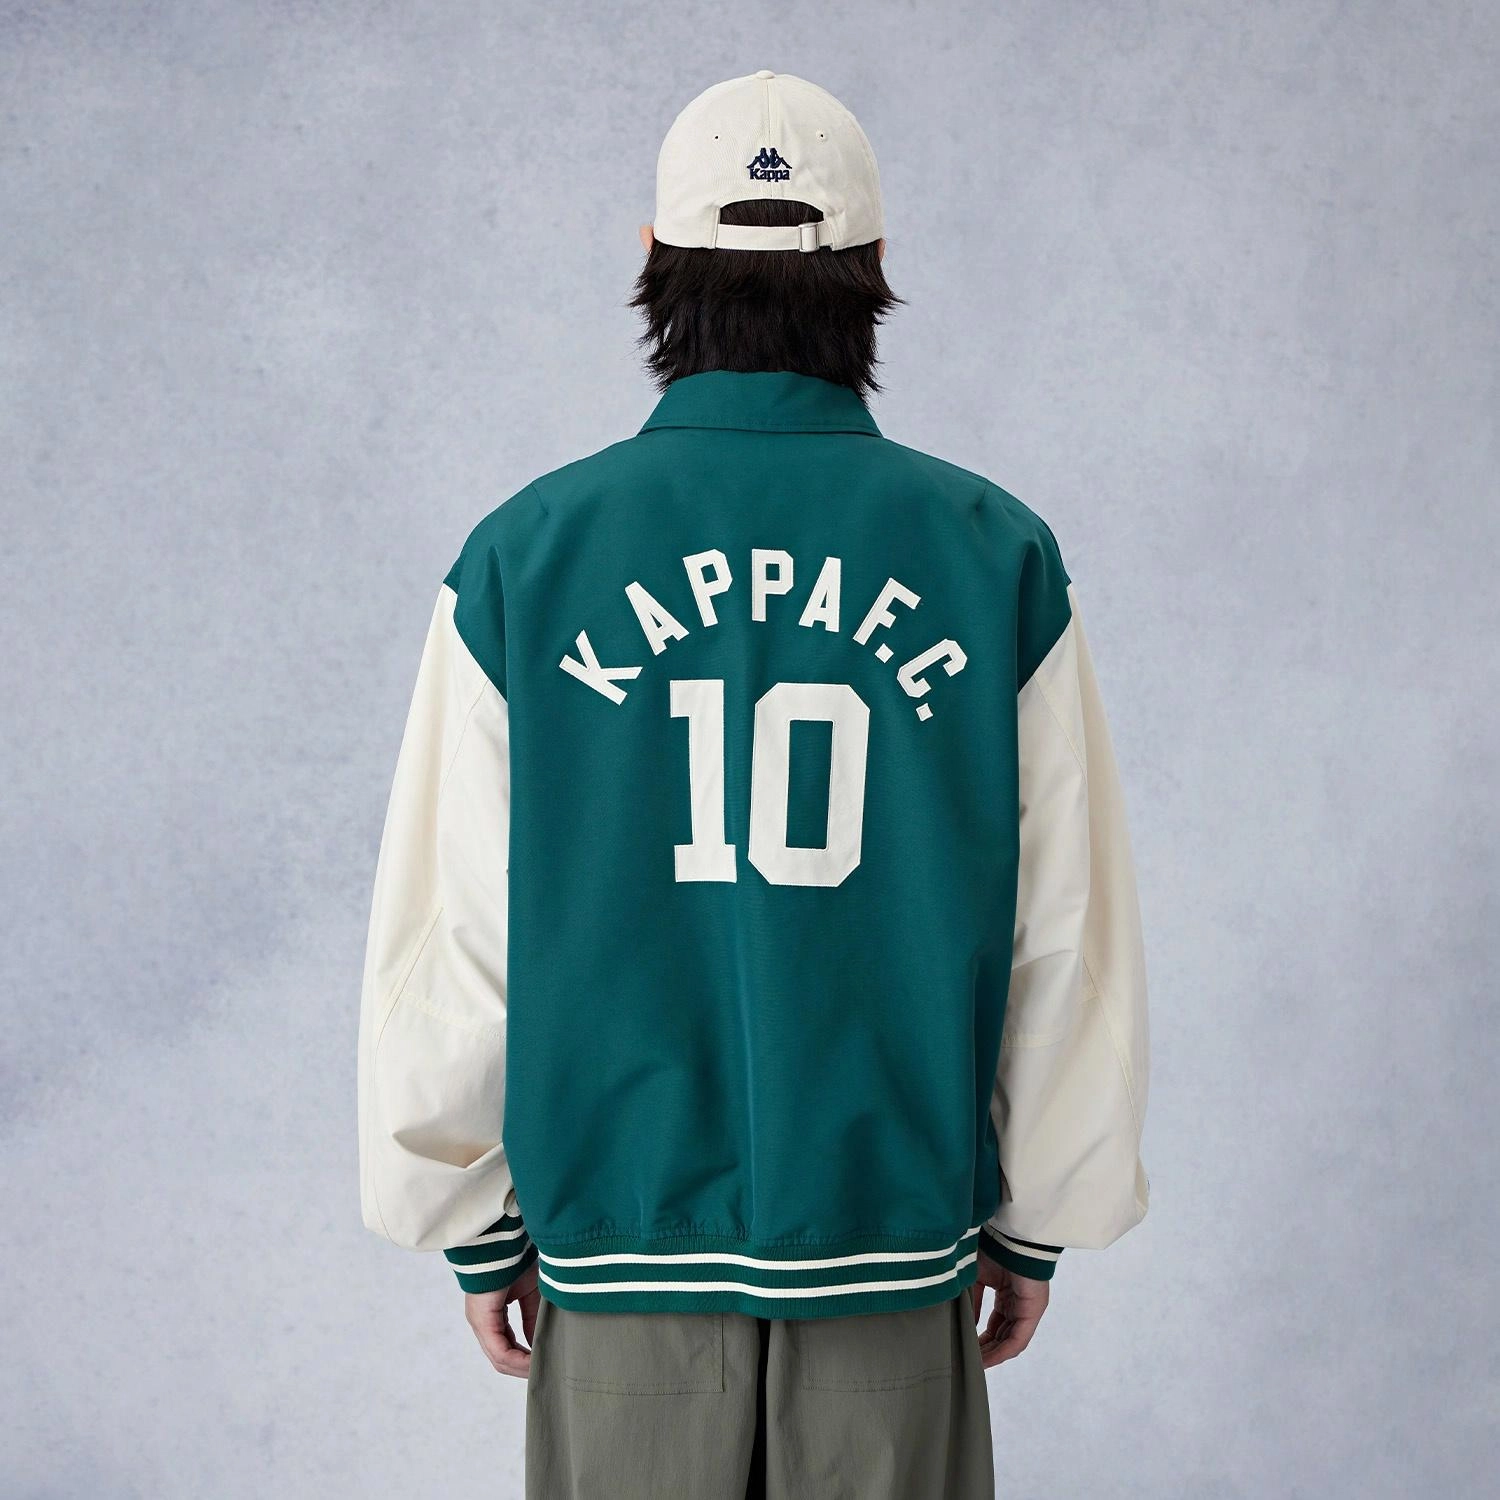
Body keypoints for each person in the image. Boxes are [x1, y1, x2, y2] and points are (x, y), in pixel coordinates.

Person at [357, 69, 1151, 1500]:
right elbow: (1066, 927)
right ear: (876, 264)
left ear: (652, 259)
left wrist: (472, 1221)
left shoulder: (526, 557)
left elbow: (456, 925)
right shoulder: (993, 555)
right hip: (888, 1240)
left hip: (623, 1247)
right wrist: (1039, 1209)